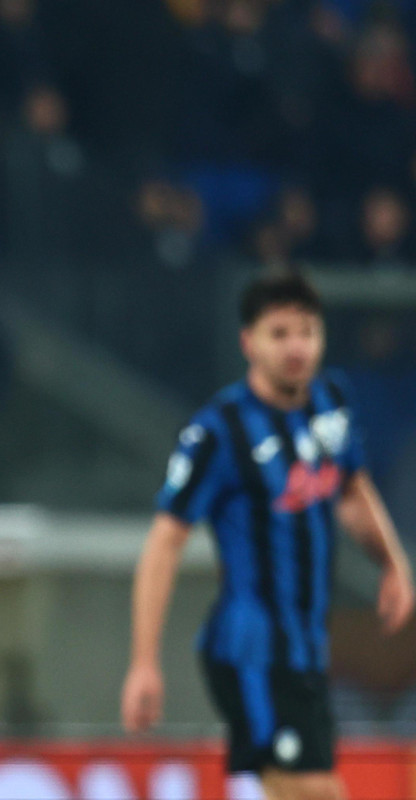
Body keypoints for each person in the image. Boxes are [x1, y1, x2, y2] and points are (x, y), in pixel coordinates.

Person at [121, 273, 415, 800]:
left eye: (306, 331)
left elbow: (353, 489)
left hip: (307, 650)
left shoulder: (331, 402)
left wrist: (392, 563)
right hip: (250, 651)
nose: (296, 347)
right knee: (316, 793)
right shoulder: (217, 432)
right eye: (279, 333)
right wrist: (145, 662)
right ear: (248, 342)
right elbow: (165, 543)